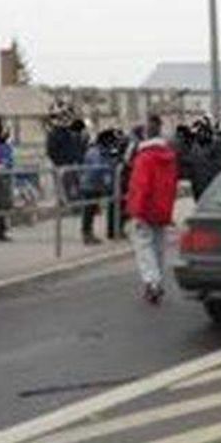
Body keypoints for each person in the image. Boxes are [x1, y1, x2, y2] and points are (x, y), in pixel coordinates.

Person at [126, 114, 178, 303]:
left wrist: (135, 211)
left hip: (145, 209)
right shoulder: (169, 157)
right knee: (158, 247)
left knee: (143, 247)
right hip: (163, 208)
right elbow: (172, 185)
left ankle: (152, 282)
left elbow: (140, 186)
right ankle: (158, 281)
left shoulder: (144, 158)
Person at [80, 129, 119, 245]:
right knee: (88, 210)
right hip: (90, 185)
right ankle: (87, 234)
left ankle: (88, 233)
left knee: (91, 210)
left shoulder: (102, 150)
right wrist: (108, 167)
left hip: (95, 185)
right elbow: (97, 168)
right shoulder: (95, 152)